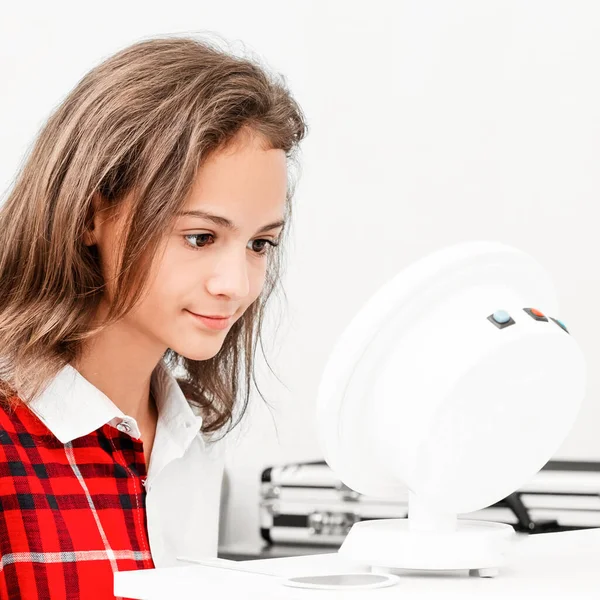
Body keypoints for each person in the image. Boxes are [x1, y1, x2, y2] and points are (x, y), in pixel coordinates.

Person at [0, 34, 307, 599]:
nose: (235, 285)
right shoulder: (10, 441)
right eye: (199, 237)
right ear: (93, 215)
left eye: (260, 244)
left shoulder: (191, 439)